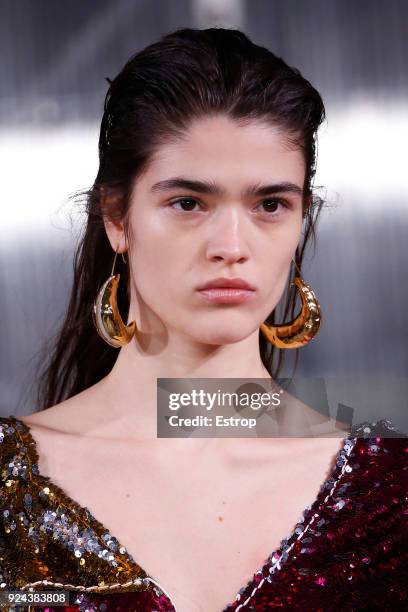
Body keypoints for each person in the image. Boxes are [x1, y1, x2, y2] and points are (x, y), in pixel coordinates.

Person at [0, 27, 406, 612]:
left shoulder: (392, 494)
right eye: (188, 203)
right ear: (117, 217)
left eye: (270, 205)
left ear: (300, 222)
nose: (231, 246)